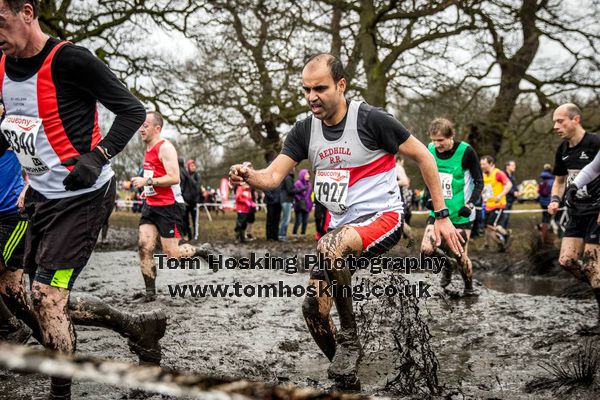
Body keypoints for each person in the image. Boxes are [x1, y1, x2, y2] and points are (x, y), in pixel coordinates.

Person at [229, 53, 463, 390]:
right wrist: (248, 175)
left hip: (383, 219)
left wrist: (441, 216)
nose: (312, 97)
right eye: (306, 90)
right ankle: (346, 377)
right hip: (340, 235)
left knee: (330, 244)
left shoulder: (371, 119)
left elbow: (425, 156)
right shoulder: (304, 130)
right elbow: (272, 176)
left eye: (320, 88)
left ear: (341, 85)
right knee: (314, 311)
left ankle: (351, 339)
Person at [0, 3, 166, 398]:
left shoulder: (71, 60)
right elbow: (22, 131)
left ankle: (60, 394)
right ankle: (135, 326)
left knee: (47, 297)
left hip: (84, 198)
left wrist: (98, 156)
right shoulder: (3, 67)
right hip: (40, 197)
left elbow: (130, 111)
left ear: (26, 12)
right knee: (27, 294)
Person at [131, 112, 211, 302]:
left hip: (169, 207)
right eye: (140, 126)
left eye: (145, 125)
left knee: (172, 255)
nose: (141, 129)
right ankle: (150, 293)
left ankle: (201, 251)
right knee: (144, 246)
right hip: (151, 206)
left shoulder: (165, 148)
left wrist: (146, 180)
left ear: (157, 128)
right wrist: (147, 190)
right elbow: (156, 177)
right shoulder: (148, 148)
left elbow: (174, 177)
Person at [547, 103, 600, 333]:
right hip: (576, 211)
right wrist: (555, 200)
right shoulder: (563, 149)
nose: (556, 126)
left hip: (596, 212)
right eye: (554, 122)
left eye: (560, 121)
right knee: (567, 261)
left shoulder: (595, 143)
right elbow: (559, 181)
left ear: (575, 119)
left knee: (593, 266)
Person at [420, 118, 483, 296]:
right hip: (438, 210)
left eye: (440, 140)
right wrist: (426, 197)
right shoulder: (429, 150)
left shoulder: (466, 151)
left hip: (461, 212)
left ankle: (469, 288)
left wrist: (470, 204)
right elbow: (428, 176)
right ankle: (447, 265)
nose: (436, 144)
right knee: (426, 249)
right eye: (433, 140)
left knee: (460, 254)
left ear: (451, 137)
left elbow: (479, 182)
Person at [480, 155, 513, 251]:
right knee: (487, 228)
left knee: (491, 226)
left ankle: (506, 234)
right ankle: (495, 244)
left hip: (498, 205)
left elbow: (509, 184)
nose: (482, 166)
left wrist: (501, 195)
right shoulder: (484, 175)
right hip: (487, 205)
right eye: (481, 164)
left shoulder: (498, 173)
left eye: (484, 164)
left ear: (490, 164)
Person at [395, 156, 414, 242]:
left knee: (400, 221)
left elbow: (405, 181)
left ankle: (411, 239)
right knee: (398, 221)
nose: (403, 163)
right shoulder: (393, 166)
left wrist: (389, 184)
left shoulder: (397, 167)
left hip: (397, 198)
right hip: (393, 197)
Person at [181, 159, 200, 240]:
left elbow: (196, 186)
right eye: (191, 166)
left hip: (194, 202)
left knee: (194, 220)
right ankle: (188, 235)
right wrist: (183, 199)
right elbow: (182, 187)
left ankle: (196, 236)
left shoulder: (197, 175)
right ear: (188, 167)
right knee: (185, 220)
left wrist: (188, 177)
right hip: (186, 202)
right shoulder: (185, 176)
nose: (193, 167)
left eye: (194, 165)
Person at [292, 169, 313, 239]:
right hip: (299, 205)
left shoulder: (309, 184)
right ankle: (294, 233)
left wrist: (311, 204)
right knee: (298, 220)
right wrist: (299, 199)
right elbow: (294, 193)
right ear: (302, 175)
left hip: (307, 205)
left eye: (308, 174)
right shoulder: (298, 183)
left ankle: (303, 234)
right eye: (307, 174)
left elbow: (310, 195)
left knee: (305, 221)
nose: (308, 176)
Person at [537, 164, 555, 245]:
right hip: (549, 202)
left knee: (544, 218)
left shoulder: (542, 180)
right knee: (548, 219)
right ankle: (545, 236)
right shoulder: (552, 180)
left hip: (542, 202)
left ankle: (542, 233)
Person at [278, 169, 297, 241]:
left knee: (286, 218)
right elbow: (290, 190)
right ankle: (282, 235)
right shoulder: (288, 178)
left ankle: (282, 235)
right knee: (286, 219)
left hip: (286, 200)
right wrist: (300, 189)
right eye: (293, 168)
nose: (294, 169)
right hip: (286, 200)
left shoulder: (287, 177)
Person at [502, 160, 518, 229]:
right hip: (505, 199)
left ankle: (504, 232)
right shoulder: (503, 175)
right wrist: (513, 192)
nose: (515, 167)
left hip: (511, 199)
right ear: (507, 166)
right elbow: (505, 186)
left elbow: (514, 186)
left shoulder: (512, 176)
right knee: (504, 217)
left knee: (507, 217)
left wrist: (517, 191)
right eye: (513, 165)